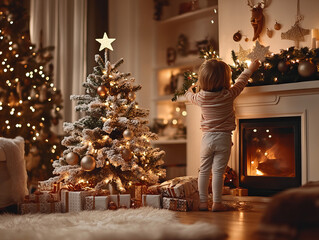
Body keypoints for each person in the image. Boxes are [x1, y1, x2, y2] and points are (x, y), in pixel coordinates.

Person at [185, 59, 260, 211]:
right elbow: (241, 81)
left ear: (203, 80)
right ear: (225, 79)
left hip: (207, 138)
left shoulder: (200, 97)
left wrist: (189, 90)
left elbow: (189, 96)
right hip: (224, 138)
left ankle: (203, 202)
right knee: (219, 172)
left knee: (204, 170)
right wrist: (250, 68)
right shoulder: (229, 94)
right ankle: (217, 203)